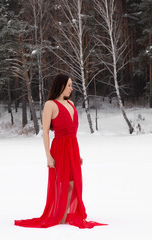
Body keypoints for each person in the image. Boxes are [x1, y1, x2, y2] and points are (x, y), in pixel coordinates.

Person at [14, 74, 107, 229]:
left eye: (71, 85)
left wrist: (78, 155)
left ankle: (62, 217)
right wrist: (48, 156)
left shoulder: (70, 103)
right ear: (61, 85)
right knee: (63, 182)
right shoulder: (50, 104)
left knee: (73, 184)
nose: (71, 88)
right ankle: (60, 217)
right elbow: (45, 132)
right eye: (69, 85)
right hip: (59, 149)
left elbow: (72, 133)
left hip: (73, 148)